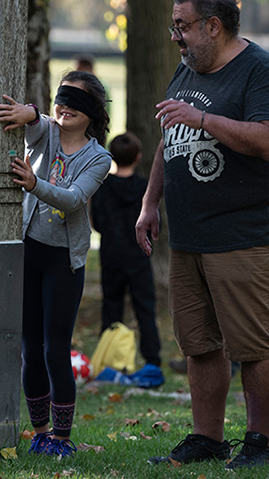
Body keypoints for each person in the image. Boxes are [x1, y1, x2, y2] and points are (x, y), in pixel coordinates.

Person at [136, 0, 269, 470]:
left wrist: (203, 119)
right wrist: (150, 203)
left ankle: (261, 443)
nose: (175, 36)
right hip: (190, 237)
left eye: (182, 26)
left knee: (253, 344)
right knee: (199, 343)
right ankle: (207, 438)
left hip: (247, 234)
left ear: (214, 26)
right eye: (172, 26)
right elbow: (170, 141)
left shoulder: (263, 72)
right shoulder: (187, 73)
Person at [0, 71, 112, 458]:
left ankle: (62, 437)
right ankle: (40, 432)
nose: (66, 108)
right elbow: (34, 117)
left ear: (92, 112)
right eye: (62, 99)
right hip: (30, 252)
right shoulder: (46, 132)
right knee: (30, 347)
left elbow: (75, 199)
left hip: (64, 261)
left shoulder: (99, 158)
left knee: (54, 349)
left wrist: (33, 184)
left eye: (76, 103)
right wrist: (27, 110)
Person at [90, 132, 163, 373]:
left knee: (111, 306)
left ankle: (109, 360)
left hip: (111, 255)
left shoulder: (101, 187)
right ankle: (152, 359)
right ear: (139, 157)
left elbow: (97, 223)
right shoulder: (145, 188)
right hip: (139, 255)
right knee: (145, 306)